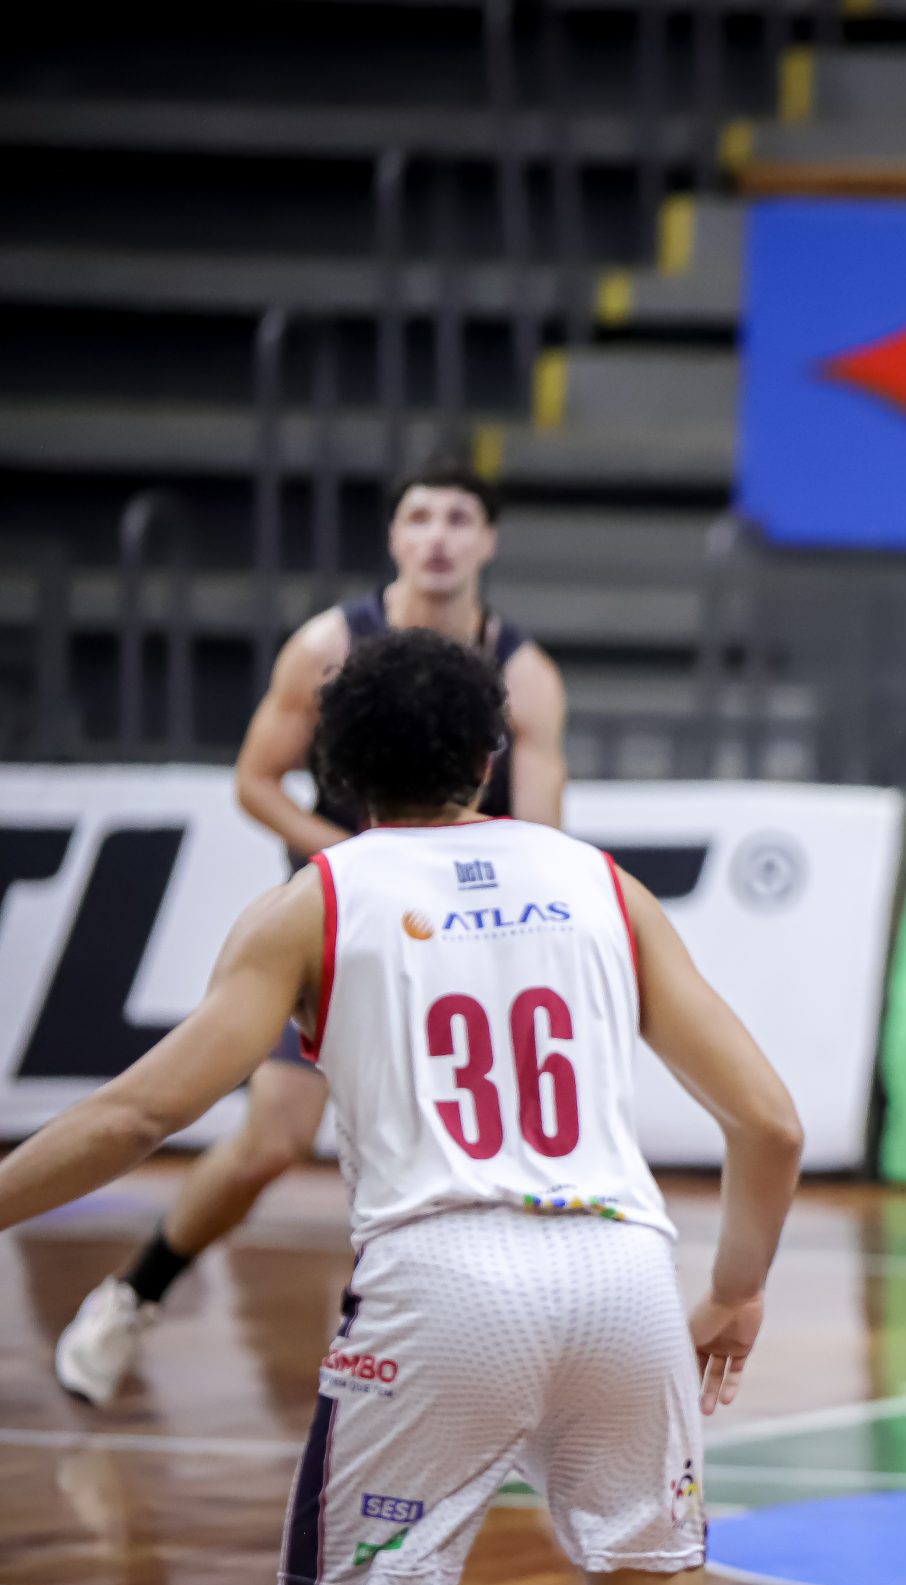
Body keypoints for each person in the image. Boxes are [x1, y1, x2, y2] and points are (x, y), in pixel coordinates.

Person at [0, 629, 801, 1585]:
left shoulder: (313, 903)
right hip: (624, 1277)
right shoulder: (602, 885)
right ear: (487, 756)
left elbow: (139, 1113)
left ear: (335, 771)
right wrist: (736, 1291)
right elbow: (769, 1124)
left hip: (441, 1283)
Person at [57, 457, 570, 1405]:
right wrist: (365, 857)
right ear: (395, 535)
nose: (440, 536)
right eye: (421, 516)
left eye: (460, 518)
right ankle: (133, 1293)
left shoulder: (526, 675)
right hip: (345, 922)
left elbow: (540, 837)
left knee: (483, 1154)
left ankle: (494, 1360)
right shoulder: (327, 645)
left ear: (489, 540)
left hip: (462, 936)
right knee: (270, 1142)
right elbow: (256, 781)